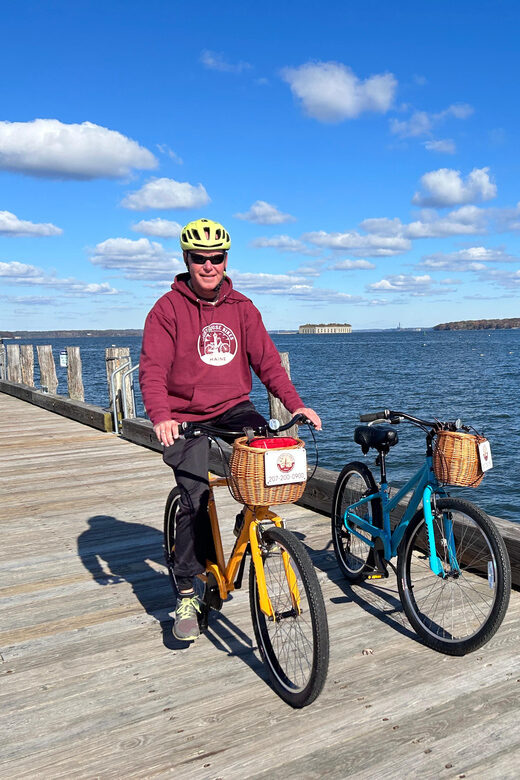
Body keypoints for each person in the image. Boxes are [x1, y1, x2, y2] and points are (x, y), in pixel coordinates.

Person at [139, 218, 321, 641]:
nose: (208, 266)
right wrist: (162, 416)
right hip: (187, 415)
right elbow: (152, 369)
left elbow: (269, 363)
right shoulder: (167, 310)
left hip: (235, 409)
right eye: (199, 259)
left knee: (272, 461)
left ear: (225, 260)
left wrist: (296, 405)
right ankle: (188, 588)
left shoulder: (242, 307)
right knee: (194, 495)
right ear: (187, 260)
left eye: (216, 258)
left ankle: (252, 526)